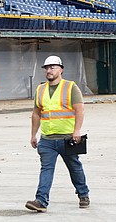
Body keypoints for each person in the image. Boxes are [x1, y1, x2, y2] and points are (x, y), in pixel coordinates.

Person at [26, 55, 90, 212]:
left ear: (61, 70)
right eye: (47, 68)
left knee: (74, 168)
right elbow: (36, 113)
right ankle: (41, 201)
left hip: (67, 138)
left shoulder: (71, 87)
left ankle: (83, 194)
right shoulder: (40, 89)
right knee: (46, 169)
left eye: (52, 67)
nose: (49, 70)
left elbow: (79, 109)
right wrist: (33, 134)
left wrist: (77, 131)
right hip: (47, 139)